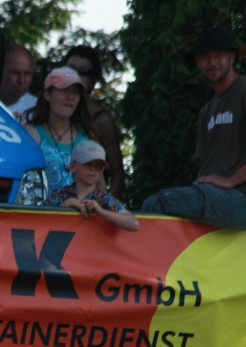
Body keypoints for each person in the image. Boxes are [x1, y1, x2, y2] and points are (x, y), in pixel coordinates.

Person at [141, 27, 246, 230]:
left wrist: (230, 180)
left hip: (239, 197)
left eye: (219, 55)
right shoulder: (207, 110)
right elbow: (208, 167)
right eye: (205, 57)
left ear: (232, 57)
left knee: (156, 204)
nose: (212, 62)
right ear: (198, 62)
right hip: (215, 198)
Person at [61, 45, 126, 197]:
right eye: (70, 69)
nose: (75, 75)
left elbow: (118, 176)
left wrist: (105, 207)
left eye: (83, 72)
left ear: (92, 81)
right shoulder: (50, 111)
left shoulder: (101, 120)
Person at [24, 67, 96, 196]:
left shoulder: (86, 138)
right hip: (42, 214)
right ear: (47, 94)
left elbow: (100, 190)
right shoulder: (31, 134)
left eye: (75, 92)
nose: (70, 97)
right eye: (63, 90)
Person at [46, 140, 139, 231]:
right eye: (87, 163)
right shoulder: (59, 195)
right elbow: (40, 222)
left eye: (98, 165)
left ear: (102, 170)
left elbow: (134, 224)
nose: (93, 168)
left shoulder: (105, 199)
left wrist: (100, 211)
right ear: (72, 166)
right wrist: (67, 204)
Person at [0, 44, 37, 122]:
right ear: (0, 70)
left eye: (27, 74)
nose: (21, 80)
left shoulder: (36, 110)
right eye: (15, 73)